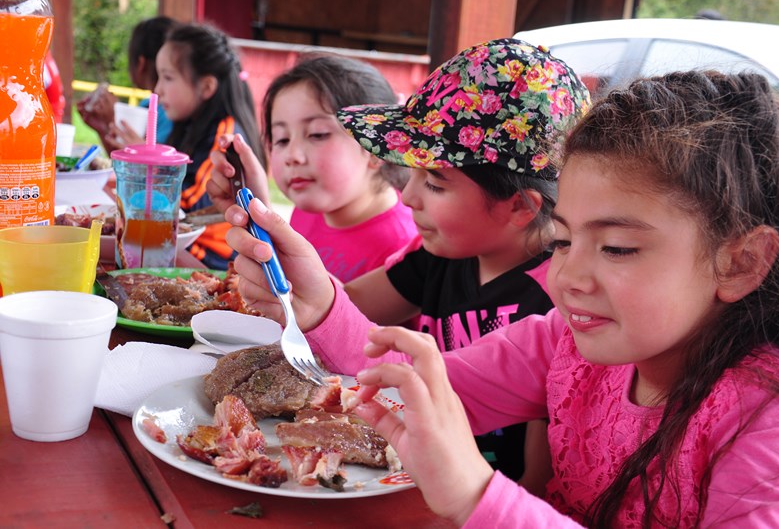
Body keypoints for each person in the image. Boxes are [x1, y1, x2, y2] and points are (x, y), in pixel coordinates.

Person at [227, 70, 779, 525]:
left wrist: (476, 494)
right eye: (565, 241)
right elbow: (419, 391)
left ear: (742, 261)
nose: (566, 277)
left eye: (617, 248)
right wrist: (317, 305)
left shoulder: (773, 431)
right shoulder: (562, 343)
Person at [222, 39, 591, 486]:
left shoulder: (560, 304)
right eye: (412, 173)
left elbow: (536, 482)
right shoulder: (435, 256)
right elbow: (342, 311)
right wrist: (273, 244)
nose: (409, 196)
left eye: (434, 182)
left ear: (520, 206)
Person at [208, 53, 417, 282]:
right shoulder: (307, 213)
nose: (293, 156)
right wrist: (257, 209)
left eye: (318, 134)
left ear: (376, 148)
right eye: (282, 139)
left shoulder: (403, 248)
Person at [156, 22, 267, 270]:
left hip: (213, 259)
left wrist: (150, 168)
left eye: (167, 77)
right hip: (187, 243)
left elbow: (187, 206)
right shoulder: (189, 124)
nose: (157, 89)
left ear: (206, 86)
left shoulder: (225, 135)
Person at [77, 16, 177, 154]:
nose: (159, 90)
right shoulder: (146, 105)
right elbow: (122, 160)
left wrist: (114, 119)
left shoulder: (170, 113)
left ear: (141, 64)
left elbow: (153, 163)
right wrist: (104, 128)